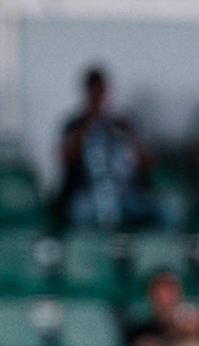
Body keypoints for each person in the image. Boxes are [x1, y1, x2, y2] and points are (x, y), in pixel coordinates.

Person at [58, 67, 156, 229]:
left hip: (125, 193)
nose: (97, 97)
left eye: (101, 92)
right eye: (93, 92)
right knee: (81, 210)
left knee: (162, 211)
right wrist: (88, 125)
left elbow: (147, 163)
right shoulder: (75, 125)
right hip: (88, 193)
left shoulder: (122, 124)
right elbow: (64, 159)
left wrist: (130, 137)